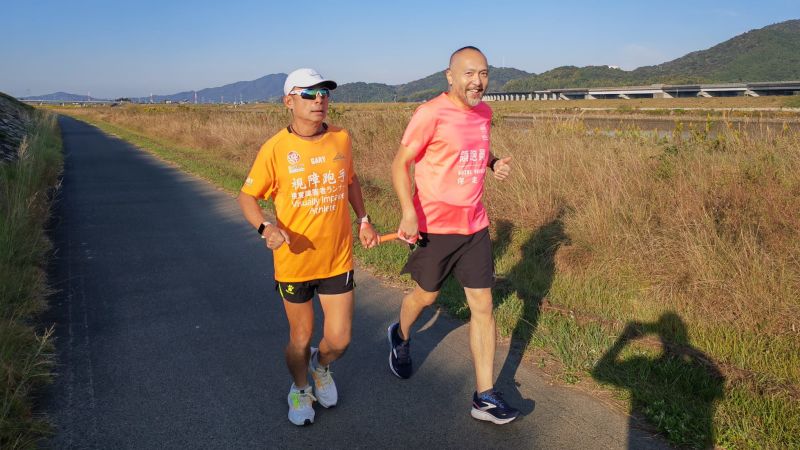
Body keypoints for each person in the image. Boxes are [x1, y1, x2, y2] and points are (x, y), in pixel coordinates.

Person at [238, 68, 378, 426]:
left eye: (324, 93)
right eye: (309, 94)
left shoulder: (341, 139)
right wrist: (264, 226)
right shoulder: (275, 149)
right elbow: (247, 196)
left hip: (336, 259)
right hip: (294, 263)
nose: (319, 100)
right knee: (300, 338)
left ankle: (321, 368)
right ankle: (300, 387)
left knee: (340, 339)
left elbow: (351, 181)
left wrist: (363, 219)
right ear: (289, 101)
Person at [387, 46, 519, 424]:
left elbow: (476, 146)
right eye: (468, 74)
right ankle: (401, 334)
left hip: (475, 226)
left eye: (484, 73)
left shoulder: (484, 113)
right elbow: (401, 164)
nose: (477, 82)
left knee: (483, 307)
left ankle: (484, 396)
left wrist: (493, 163)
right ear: (450, 76)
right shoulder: (430, 113)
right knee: (425, 297)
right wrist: (408, 212)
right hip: (435, 228)